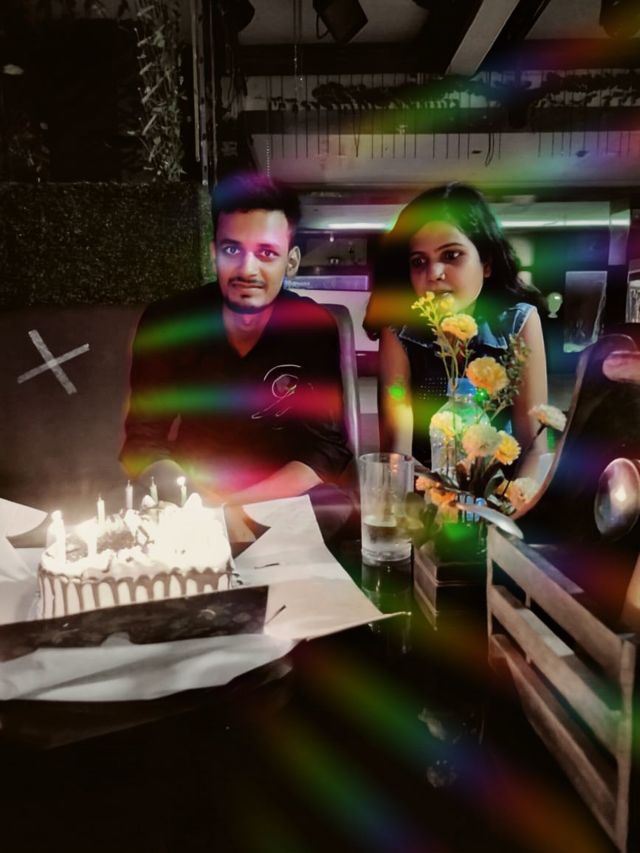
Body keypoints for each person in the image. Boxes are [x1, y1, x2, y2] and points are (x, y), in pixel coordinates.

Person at [120, 171, 354, 535]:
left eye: (266, 253)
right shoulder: (169, 322)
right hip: (191, 495)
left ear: (291, 261)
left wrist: (237, 509)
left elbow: (324, 449)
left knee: (335, 506)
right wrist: (204, 508)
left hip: (280, 496)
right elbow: (144, 441)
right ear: (213, 253)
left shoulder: (312, 327)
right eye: (232, 250)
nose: (247, 269)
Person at [365, 182, 548, 479]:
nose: (433, 274)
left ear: (486, 264)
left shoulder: (518, 323)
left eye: (451, 255)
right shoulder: (399, 330)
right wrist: (435, 498)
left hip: (501, 490)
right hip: (424, 488)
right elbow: (398, 453)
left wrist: (509, 503)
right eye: (419, 261)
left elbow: (535, 449)